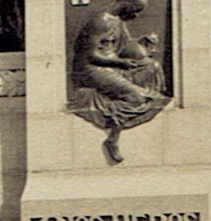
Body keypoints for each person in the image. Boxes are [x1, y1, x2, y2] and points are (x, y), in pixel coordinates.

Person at [66, 9, 168, 164]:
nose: (135, 16)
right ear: (126, 4)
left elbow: (126, 46)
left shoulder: (118, 22)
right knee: (136, 97)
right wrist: (120, 63)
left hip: (114, 65)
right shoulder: (99, 22)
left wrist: (142, 43)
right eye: (134, 10)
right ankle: (112, 138)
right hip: (94, 70)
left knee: (152, 66)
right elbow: (91, 56)